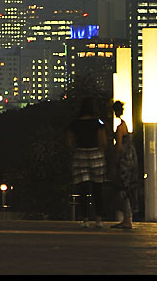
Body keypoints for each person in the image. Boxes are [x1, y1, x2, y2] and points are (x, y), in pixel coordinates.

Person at [66, 96, 108, 228]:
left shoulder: (74, 124)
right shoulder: (98, 123)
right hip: (96, 155)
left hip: (80, 155)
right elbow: (103, 141)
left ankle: (85, 219)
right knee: (97, 188)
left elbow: (69, 142)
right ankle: (99, 219)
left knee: (82, 188)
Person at [110, 100, 138, 230]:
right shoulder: (125, 125)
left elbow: (119, 147)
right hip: (131, 158)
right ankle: (128, 218)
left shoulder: (119, 128)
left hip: (124, 160)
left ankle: (127, 219)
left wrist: (114, 160)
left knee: (122, 187)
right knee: (128, 188)